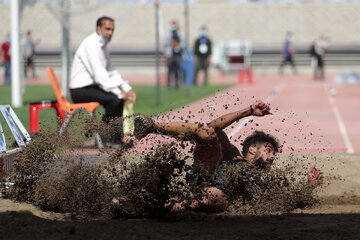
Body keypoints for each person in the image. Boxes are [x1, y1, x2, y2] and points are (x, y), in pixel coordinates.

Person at [127, 100, 322, 212]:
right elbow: (214, 127)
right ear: (252, 149)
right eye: (269, 150)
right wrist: (248, 111)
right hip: (205, 175)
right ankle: (150, 126)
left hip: (217, 197)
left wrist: (308, 186)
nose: (272, 157)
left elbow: (288, 200)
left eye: (274, 154)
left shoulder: (267, 178)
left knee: (212, 197)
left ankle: (137, 207)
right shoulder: (232, 154)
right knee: (206, 132)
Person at [70, 16, 136, 144]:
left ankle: (112, 139)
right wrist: (120, 93)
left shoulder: (102, 46)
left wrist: (128, 89)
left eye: (112, 30)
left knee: (117, 99)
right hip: (79, 91)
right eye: (107, 29)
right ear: (98, 29)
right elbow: (100, 76)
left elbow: (110, 71)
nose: (110, 33)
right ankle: (107, 139)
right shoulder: (91, 44)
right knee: (115, 99)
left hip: (90, 88)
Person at [162, 20, 184, 90]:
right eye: (172, 24)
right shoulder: (167, 34)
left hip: (177, 54)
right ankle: (168, 84)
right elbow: (164, 44)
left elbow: (183, 43)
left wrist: (178, 45)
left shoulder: (180, 33)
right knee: (169, 70)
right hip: (170, 54)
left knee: (178, 70)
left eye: (175, 24)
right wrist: (171, 43)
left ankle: (177, 84)